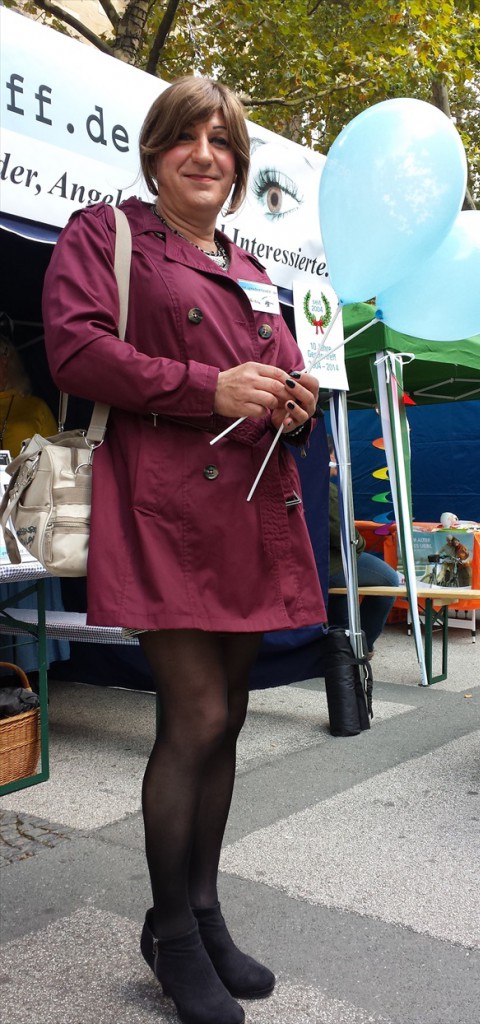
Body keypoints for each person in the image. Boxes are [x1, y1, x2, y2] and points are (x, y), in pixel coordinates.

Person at [42, 76, 326, 1024]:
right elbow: (75, 352)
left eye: (223, 142)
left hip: (248, 512)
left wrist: (294, 401)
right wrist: (212, 388)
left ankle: (204, 911)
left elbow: (280, 369)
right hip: (159, 506)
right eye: (187, 138)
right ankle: (168, 930)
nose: (207, 154)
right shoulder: (107, 234)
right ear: (156, 152)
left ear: (239, 167)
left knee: (231, 715)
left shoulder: (251, 266)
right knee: (196, 716)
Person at [327, 442, 399, 658]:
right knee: (390, 580)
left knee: (343, 590)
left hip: (310, 563)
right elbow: (341, 534)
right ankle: (363, 644)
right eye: (334, 455)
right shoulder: (326, 489)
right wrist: (359, 543)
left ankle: (340, 646)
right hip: (332, 563)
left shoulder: (297, 482)